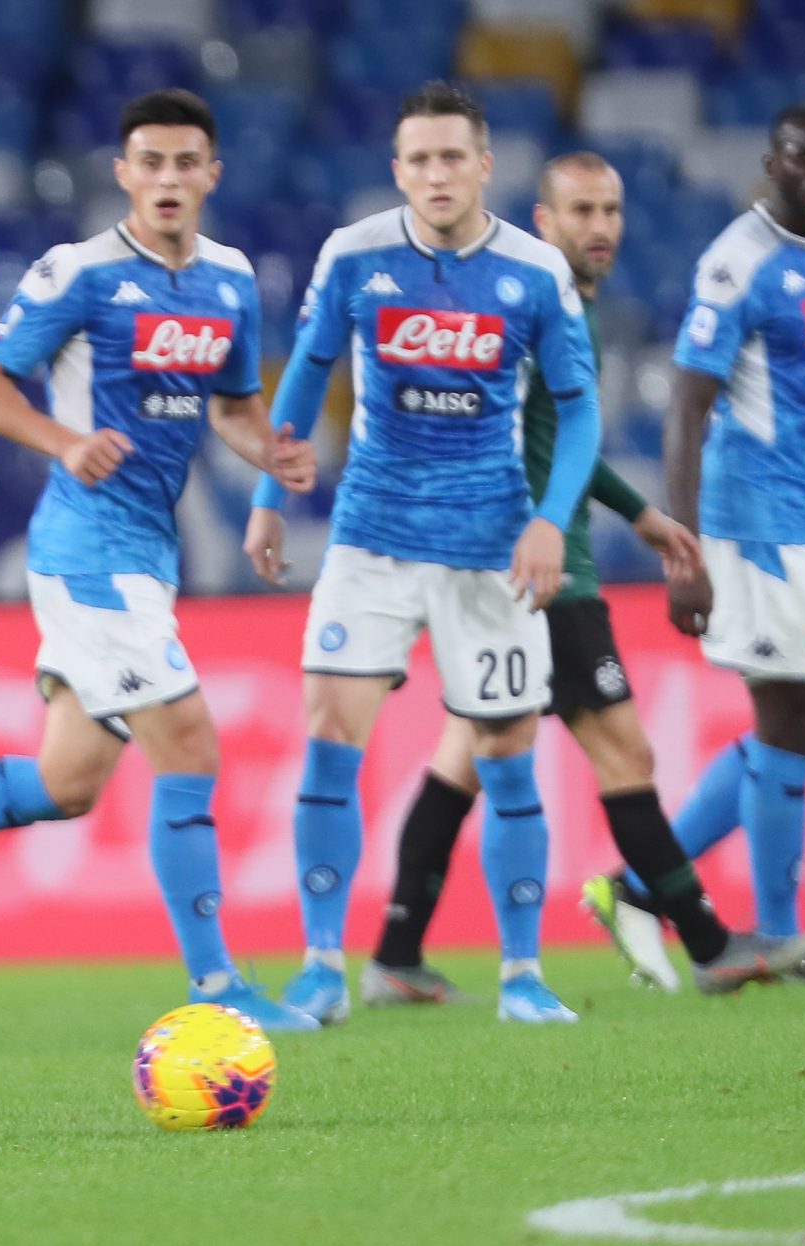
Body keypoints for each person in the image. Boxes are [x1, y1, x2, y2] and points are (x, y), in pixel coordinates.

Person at [0, 88, 323, 1032]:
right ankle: (218, 987)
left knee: (65, 785)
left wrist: (268, 455)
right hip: (86, 548)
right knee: (190, 742)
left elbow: (234, 406)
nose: (167, 178)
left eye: (184, 162)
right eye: (150, 162)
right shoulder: (79, 273)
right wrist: (64, 442)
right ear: (123, 174)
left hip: (148, 553)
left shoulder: (231, 280)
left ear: (212, 174)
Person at [358, 152, 805, 1003]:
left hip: (504, 563)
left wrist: (637, 513)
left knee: (464, 756)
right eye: (581, 211)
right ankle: (712, 944)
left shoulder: (561, 303)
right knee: (624, 753)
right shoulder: (542, 303)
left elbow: (556, 436)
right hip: (543, 569)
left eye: (610, 210)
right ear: (544, 220)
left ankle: (395, 954)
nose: (600, 227)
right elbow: (497, 429)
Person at [243, 82, 602, 1026]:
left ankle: (522, 977)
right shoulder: (355, 254)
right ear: (397, 170)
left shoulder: (534, 271)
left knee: (508, 759)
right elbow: (307, 370)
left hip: (491, 549)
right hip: (373, 540)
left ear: (485, 166)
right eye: (420, 160)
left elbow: (581, 408)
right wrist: (269, 497)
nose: (437, 175)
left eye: (453, 157)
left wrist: (552, 518)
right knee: (330, 742)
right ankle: (321, 968)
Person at [643, 100, 805, 983]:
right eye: (804, 157)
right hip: (755, 519)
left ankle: (641, 882)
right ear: (772, 162)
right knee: (791, 718)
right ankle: (778, 933)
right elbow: (686, 407)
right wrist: (683, 549)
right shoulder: (737, 261)